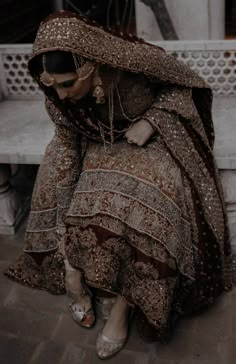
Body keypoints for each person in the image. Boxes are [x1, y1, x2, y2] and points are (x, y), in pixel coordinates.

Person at [6, 10, 232, 359]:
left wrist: (153, 122)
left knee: (150, 214)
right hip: (101, 143)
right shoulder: (58, 98)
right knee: (80, 203)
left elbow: (188, 85)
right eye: (54, 85)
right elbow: (66, 144)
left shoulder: (133, 61)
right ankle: (74, 275)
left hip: (155, 141)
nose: (62, 96)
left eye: (69, 84)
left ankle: (124, 308)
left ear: (91, 68)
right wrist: (59, 211)